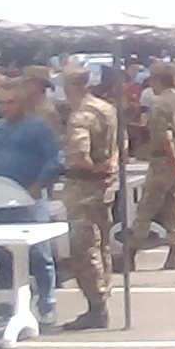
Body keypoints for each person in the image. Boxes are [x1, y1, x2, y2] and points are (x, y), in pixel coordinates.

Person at [0, 80, 64, 327]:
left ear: (23, 103)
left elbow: (55, 160)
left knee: (39, 253)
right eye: (1, 103)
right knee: (2, 253)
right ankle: (8, 304)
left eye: (10, 102)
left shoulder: (39, 127)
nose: (5, 107)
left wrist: (38, 185)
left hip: (29, 199)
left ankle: (47, 304)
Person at [56, 66, 119, 331]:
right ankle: (103, 295)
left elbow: (80, 156)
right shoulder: (106, 109)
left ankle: (96, 306)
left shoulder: (80, 116)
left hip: (84, 187)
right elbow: (119, 144)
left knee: (84, 249)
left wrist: (92, 168)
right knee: (101, 244)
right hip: (104, 185)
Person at [129, 61, 175, 272]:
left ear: (158, 80)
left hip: (162, 162)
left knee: (146, 208)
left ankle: (131, 252)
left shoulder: (159, 105)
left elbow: (165, 138)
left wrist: (174, 163)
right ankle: (173, 253)